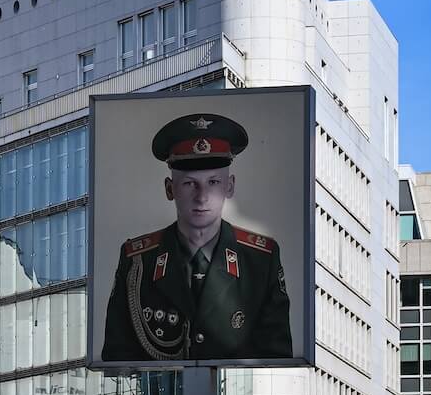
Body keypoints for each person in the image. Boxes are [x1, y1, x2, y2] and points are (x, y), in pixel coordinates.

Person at [100, 113, 293, 362]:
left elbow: (277, 360)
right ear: (170, 189)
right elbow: (117, 358)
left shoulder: (260, 260)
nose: (202, 197)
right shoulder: (138, 262)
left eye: (213, 182)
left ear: (229, 186)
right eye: (190, 184)